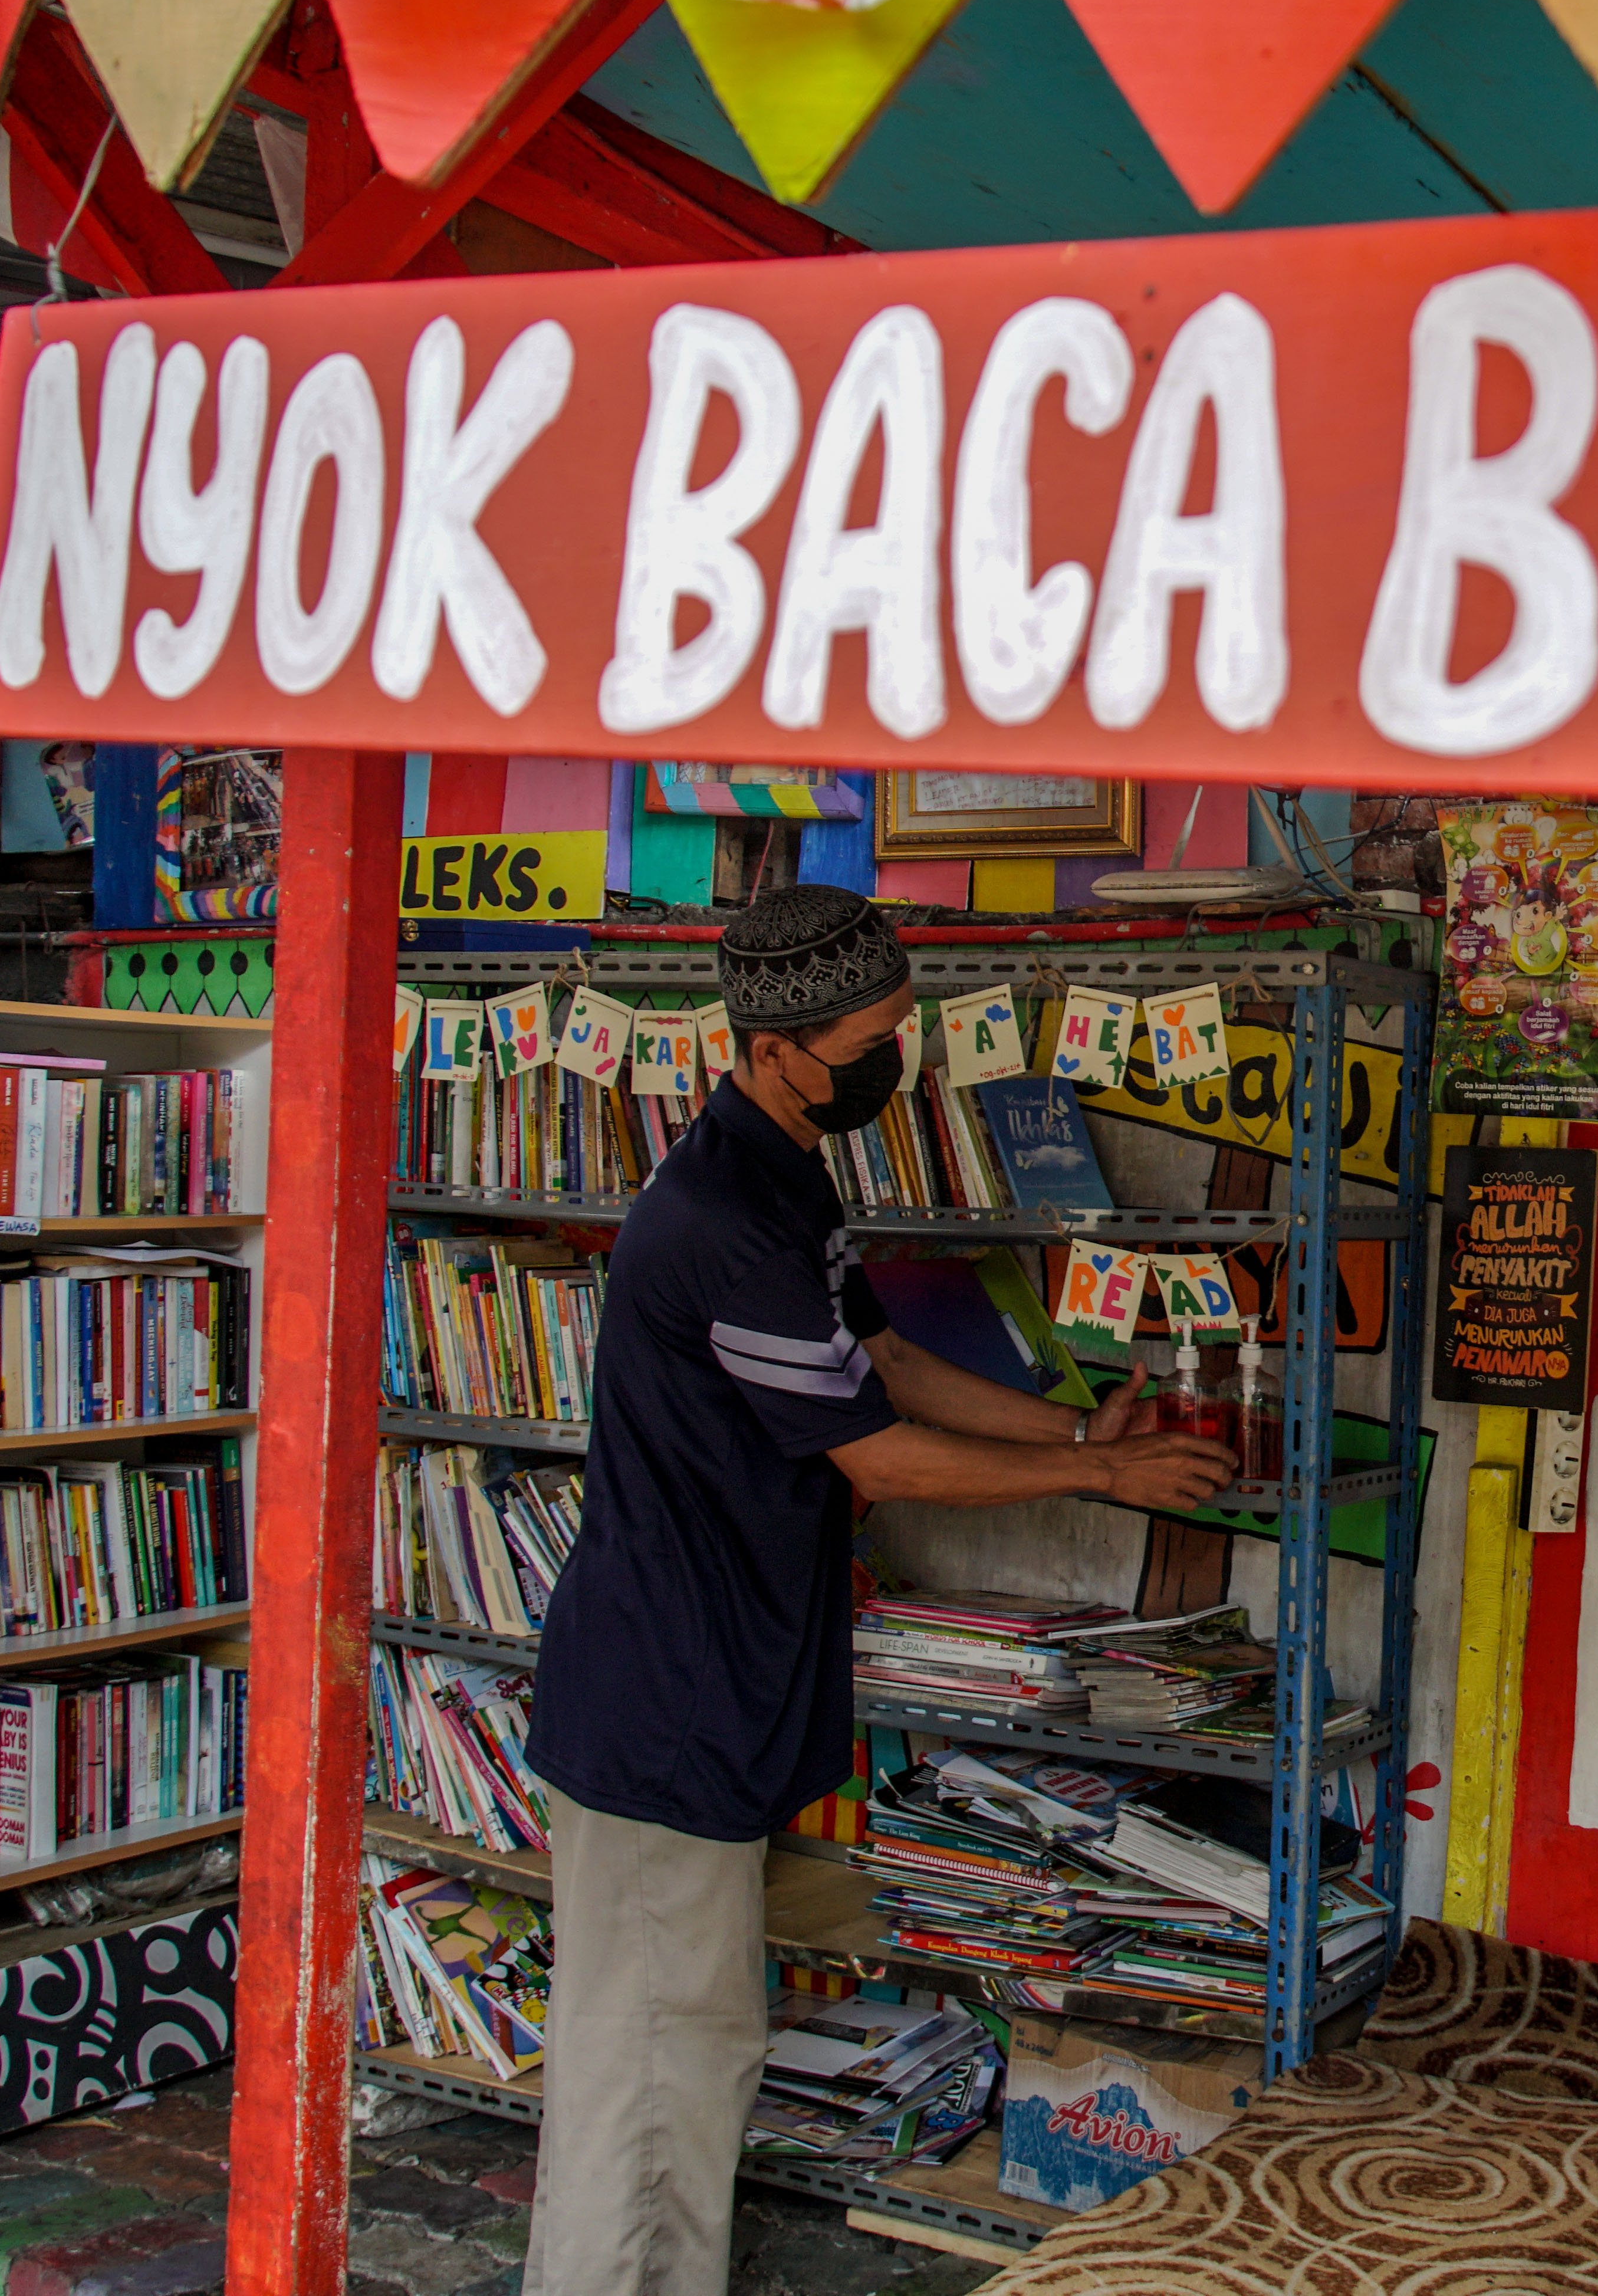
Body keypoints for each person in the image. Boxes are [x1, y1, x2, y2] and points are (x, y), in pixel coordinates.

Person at [520, 885, 1232, 2296]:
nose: (893, 1060)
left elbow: (884, 1361)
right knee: (648, 2057)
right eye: (872, 1037)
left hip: (716, 1672)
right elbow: (880, 1456)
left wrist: (1082, 1432)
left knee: (694, 2037)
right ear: (777, 1044)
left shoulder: (784, 1173)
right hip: (660, 1693)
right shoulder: (718, 1213)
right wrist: (1095, 1487)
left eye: (900, 1028)